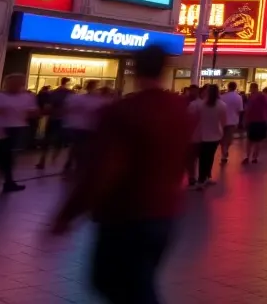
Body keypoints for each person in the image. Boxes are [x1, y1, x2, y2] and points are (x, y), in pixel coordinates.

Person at [50, 47, 194, 304]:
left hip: (126, 214)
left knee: (112, 282)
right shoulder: (179, 108)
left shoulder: (122, 111)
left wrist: (68, 214)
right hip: (166, 213)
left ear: (134, 68)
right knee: (139, 281)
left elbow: (103, 168)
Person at [0, 74, 37, 192]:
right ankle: (8, 181)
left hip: (19, 128)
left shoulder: (28, 97)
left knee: (10, 156)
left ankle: (8, 181)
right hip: (2, 128)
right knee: (5, 155)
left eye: (18, 83)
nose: (15, 85)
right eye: (12, 83)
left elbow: (33, 112)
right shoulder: (0, 96)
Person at [61, 80, 108, 174]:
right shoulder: (94, 100)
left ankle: (72, 164)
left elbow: (67, 109)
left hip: (79, 126)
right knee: (81, 146)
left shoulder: (78, 98)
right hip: (86, 127)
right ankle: (77, 165)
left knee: (77, 146)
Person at [189, 84, 227, 188]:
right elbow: (223, 121)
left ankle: (201, 179)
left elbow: (194, 118)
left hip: (202, 134)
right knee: (210, 156)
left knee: (202, 158)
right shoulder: (222, 105)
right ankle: (206, 176)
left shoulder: (201, 104)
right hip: (215, 134)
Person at [36, 77, 74, 170]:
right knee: (60, 141)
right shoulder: (70, 94)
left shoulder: (53, 92)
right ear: (68, 83)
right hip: (64, 119)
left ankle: (42, 160)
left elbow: (47, 106)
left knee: (47, 139)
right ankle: (54, 159)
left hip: (53, 118)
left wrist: (46, 112)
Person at [243, 83, 267, 165]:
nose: (250, 90)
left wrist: (246, 119)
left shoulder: (252, 97)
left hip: (253, 121)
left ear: (253, 88)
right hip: (261, 121)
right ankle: (254, 157)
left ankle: (248, 156)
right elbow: (266, 108)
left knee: (250, 140)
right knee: (257, 141)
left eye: (251, 88)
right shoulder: (263, 97)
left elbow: (248, 109)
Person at [219, 80, 244, 164]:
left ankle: (223, 153)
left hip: (222, 120)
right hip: (233, 121)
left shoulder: (223, 96)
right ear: (235, 87)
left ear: (228, 87)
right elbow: (240, 110)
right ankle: (226, 150)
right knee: (228, 138)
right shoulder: (238, 97)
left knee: (222, 139)